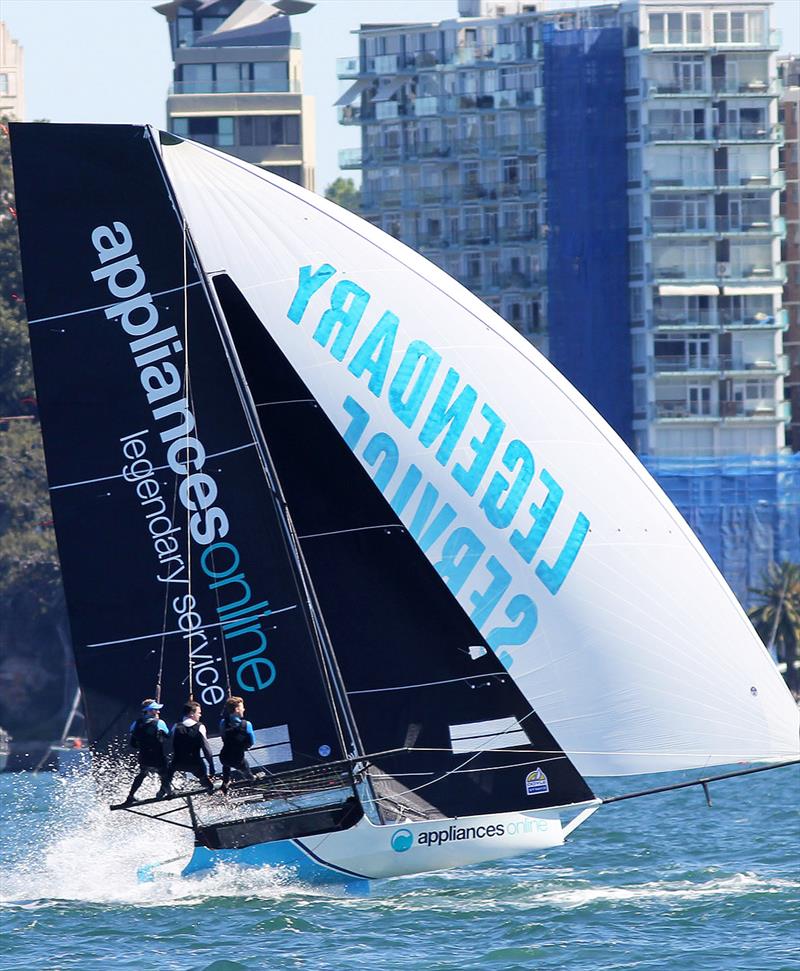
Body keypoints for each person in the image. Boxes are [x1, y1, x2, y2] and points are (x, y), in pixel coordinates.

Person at [123, 699, 170, 805]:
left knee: (142, 774)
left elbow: (133, 739)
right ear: (149, 711)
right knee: (164, 774)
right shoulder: (160, 723)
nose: (158, 712)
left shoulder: (136, 723)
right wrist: (159, 731)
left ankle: (130, 796)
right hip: (157, 757)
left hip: (143, 757)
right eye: (155, 710)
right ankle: (168, 792)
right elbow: (168, 735)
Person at [164, 701, 216, 795]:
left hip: (177, 763)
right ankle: (209, 787)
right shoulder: (200, 726)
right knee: (203, 776)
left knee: (169, 771)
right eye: (198, 713)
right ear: (192, 713)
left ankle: (164, 788)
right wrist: (211, 765)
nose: (200, 715)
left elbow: (168, 743)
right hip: (195, 764)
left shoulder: (176, 726)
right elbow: (206, 748)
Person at [218, 696, 257, 794]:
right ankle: (252, 778)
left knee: (226, 763)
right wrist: (243, 746)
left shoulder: (223, 722)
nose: (244, 709)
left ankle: (225, 782)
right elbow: (251, 742)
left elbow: (223, 737)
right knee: (246, 768)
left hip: (223, 756)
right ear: (237, 709)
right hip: (237, 759)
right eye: (242, 707)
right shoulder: (247, 724)